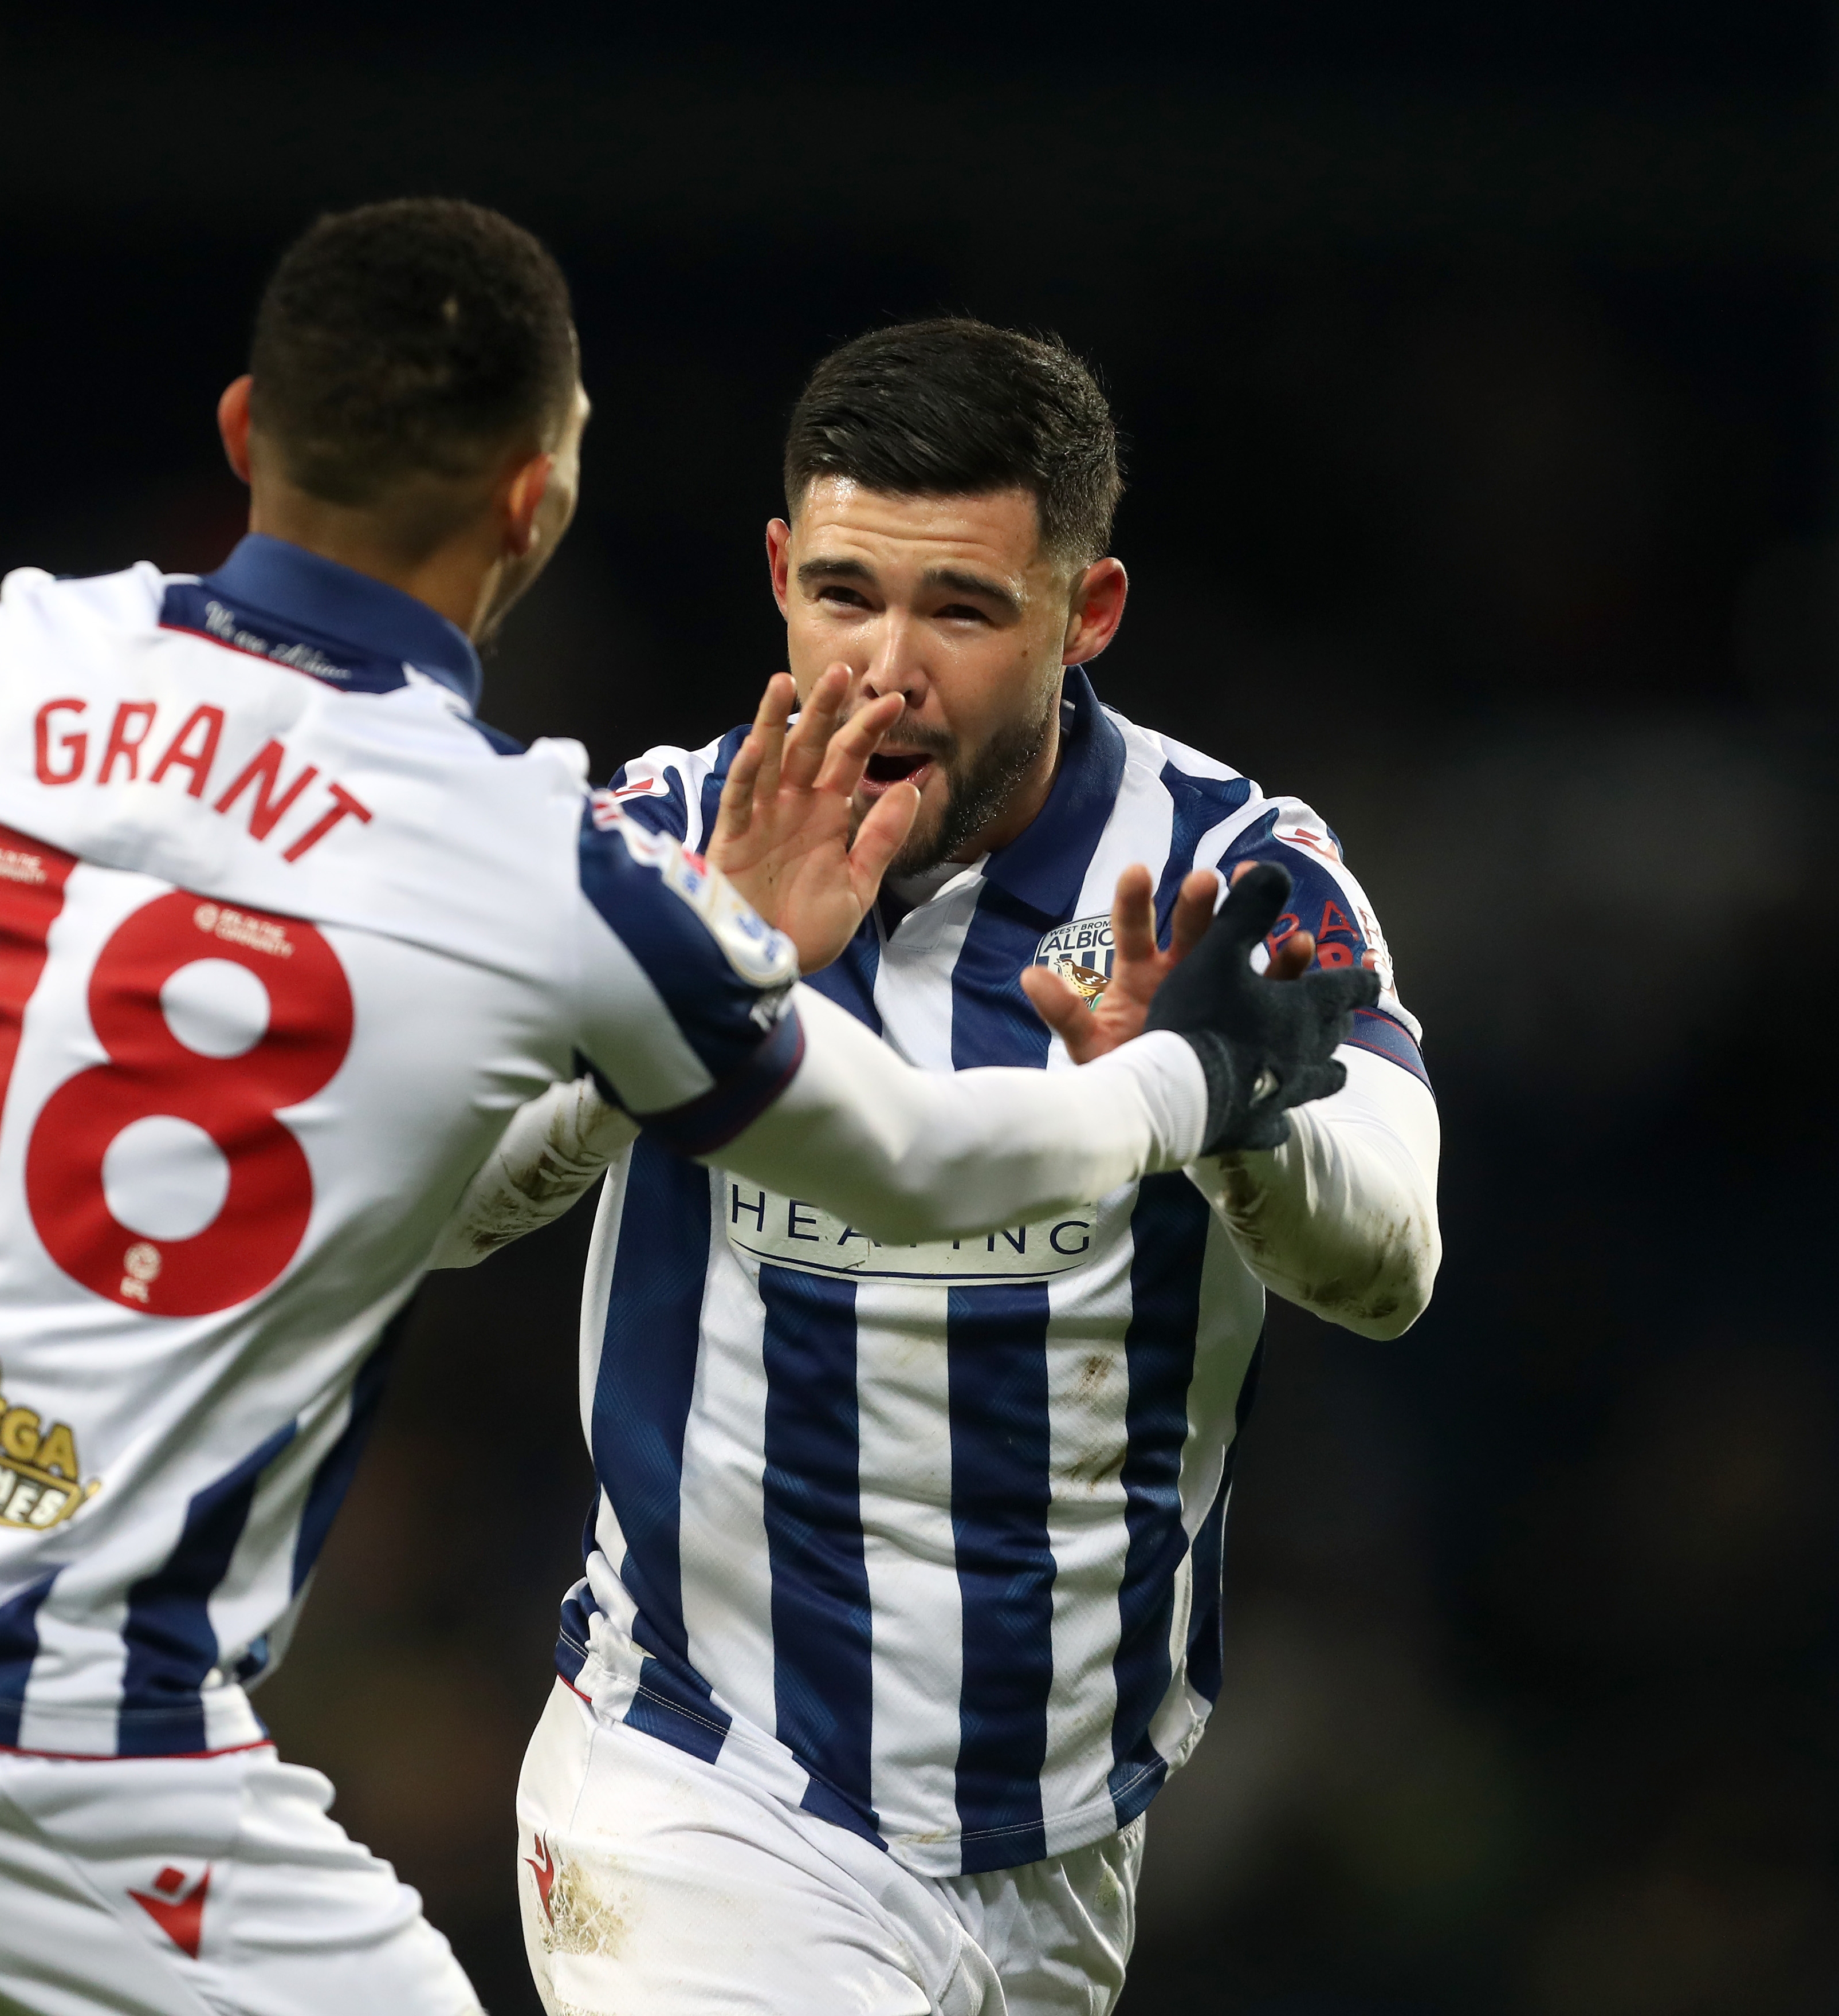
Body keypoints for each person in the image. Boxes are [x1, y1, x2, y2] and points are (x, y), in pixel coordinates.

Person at [0, 212, 1368, 2016]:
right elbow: (928, 1164)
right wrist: (1194, 1077)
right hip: (57, 1749)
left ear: (247, 433)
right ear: (537, 504)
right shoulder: (527, 854)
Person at [437, 319, 1445, 2015]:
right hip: (705, 1791)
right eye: (843, 594)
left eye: (962, 610)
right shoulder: (664, 839)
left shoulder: (1228, 881)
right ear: (777, 575)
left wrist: (1209, 1104)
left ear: (1085, 613)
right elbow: (437, 1199)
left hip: (1064, 1848)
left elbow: (1396, 1256)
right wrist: (701, 974)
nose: (887, 669)